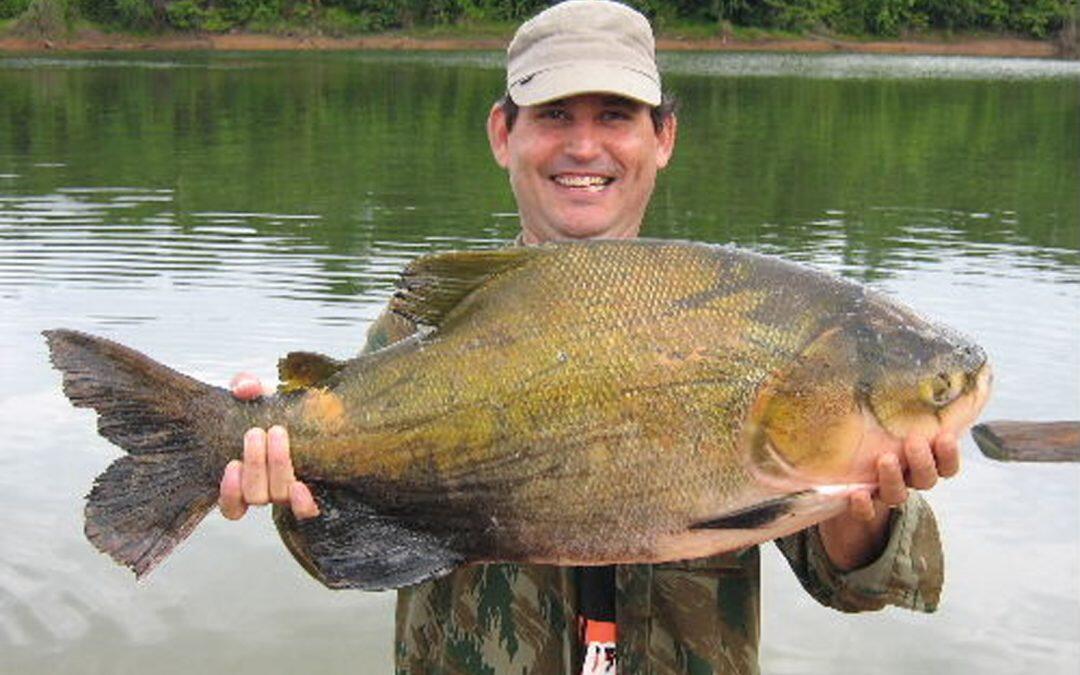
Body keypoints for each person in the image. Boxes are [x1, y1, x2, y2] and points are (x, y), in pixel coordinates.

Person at [219, 1, 959, 672]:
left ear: (662, 136)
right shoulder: (420, 327)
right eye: (553, 115)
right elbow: (353, 549)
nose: (583, 146)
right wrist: (285, 484)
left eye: (615, 115)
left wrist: (866, 507)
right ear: (503, 134)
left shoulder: (751, 322)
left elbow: (870, 583)